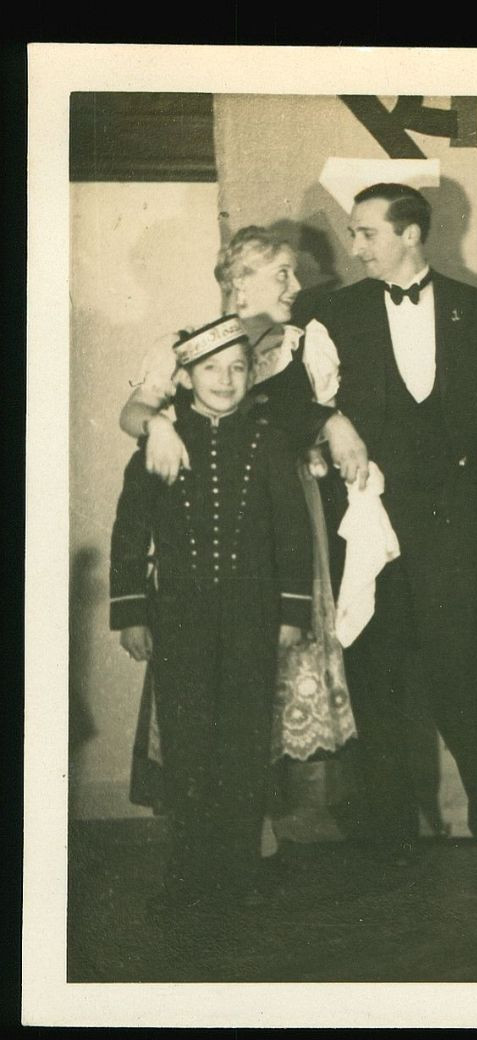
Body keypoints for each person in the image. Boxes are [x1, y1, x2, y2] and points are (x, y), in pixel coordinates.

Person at [300, 183, 477, 869]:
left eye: (366, 232)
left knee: (463, 670)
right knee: (374, 671)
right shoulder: (329, 312)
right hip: (368, 520)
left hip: (455, 521)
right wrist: (331, 421)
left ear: (410, 234)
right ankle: (390, 832)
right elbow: (289, 392)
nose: (354, 245)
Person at [118, 227, 359, 854]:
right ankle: (209, 843)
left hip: (280, 530)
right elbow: (134, 417)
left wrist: (336, 422)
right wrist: (158, 431)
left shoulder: (308, 345)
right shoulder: (183, 347)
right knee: (202, 694)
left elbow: (314, 419)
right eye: (281, 273)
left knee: (270, 679)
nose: (296, 286)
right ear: (239, 279)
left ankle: (259, 830)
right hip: (202, 545)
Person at [110, 317, 312, 910]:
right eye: (210, 370)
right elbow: (130, 532)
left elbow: (292, 534)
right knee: (188, 739)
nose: (226, 380)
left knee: (246, 743)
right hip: (178, 617)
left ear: (252, 374)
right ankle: (189, 867)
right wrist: (130, 614)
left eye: (237, 368)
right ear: (187, 377)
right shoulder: (161, 440)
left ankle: (241, 866)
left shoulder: (272, 440)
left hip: (254, 617)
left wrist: (291, 611)